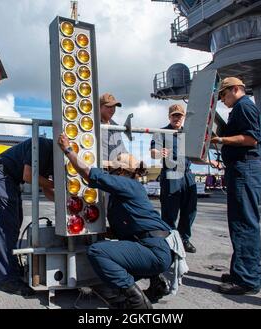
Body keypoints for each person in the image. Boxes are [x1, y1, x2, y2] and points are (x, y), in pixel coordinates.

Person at [58, 133, 187, 309]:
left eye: (111, 171)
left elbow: (89, 175)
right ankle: (156, 282)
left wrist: (68, 150)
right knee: (112, 262)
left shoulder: (127, 184)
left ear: (120, 172)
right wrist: (100, 232)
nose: (108, 173)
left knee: (97, 252)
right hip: (159, 248)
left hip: (154, 250)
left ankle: (137, 303)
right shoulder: (127, 190)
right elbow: (127, 228)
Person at [211, 77, 261, 295]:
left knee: (244, 224)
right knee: (240, 223)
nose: (222, 99)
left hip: (245, 168)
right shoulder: (240, 108)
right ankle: (242, 271)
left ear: (235, 89)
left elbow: (252, 139)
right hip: (241, 169)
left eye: (224, 95)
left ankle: (247, 280)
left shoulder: (244, 107)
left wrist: (221, 140)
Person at [0, 137, 54, 296]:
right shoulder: (43, 146)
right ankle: (8, 279)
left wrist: (65, 201)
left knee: (15, 224)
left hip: (11, 180)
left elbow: (47, 189)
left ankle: (11, 268)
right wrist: (56, 185)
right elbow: (29, 175)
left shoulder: (56, 160)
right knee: (5, 227)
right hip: (0, 175)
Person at [150, 104, 197, 253]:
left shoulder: (189, 133)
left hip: (188, 174)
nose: (177, 118)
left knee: (190, 209)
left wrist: (210, 161)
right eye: (174, 115)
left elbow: (196, 153)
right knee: (170, 211)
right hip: (171, 173)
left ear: (184, 117)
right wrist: (159, 153)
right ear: (169, 117)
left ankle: (184, 239)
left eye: (180, 116)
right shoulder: (161, 132)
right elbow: (153, 152)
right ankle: (169, 241)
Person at [100, 93, 128, 163]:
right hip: (100, 170)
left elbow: (123, 151)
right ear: (99, 107)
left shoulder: (116, 127)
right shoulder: (91, 126)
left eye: (114, 107)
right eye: (109, 107)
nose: (112, 110)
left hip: (117, 170)